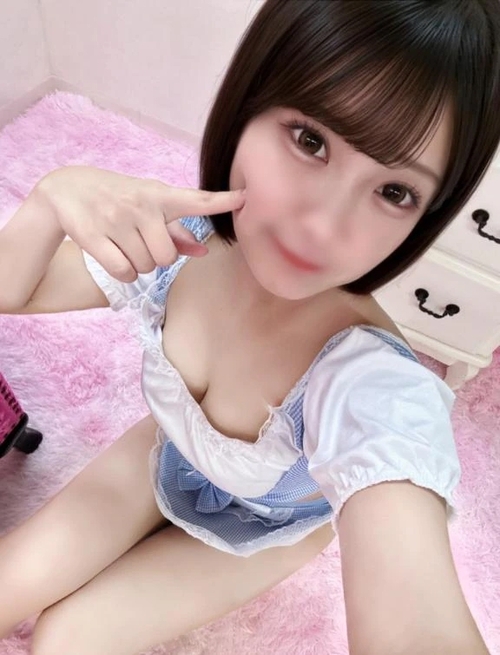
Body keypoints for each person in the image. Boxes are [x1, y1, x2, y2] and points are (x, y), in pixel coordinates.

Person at [0, 0, 499, 653]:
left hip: (266, 529)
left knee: (68, 638)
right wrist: (51, 197)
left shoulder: (369, 384)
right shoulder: (177, 247)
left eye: (394, 191)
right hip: (167, 454)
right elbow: (13, 289)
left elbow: (416, 618)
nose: (322, 226)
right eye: (311, 140)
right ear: (249, 101)